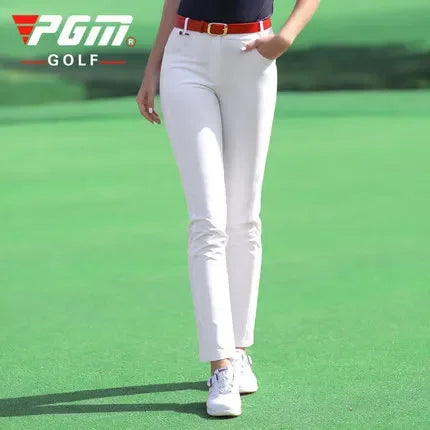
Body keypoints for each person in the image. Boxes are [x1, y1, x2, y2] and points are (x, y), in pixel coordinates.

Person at [136, 0, 320, 417]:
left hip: (251, 55)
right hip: (186, 55)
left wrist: (285, 37)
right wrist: (153, 66)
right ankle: (220, 366)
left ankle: (238, 351)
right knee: (208, 221)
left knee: (244, 218)